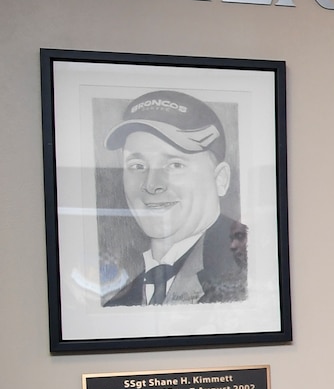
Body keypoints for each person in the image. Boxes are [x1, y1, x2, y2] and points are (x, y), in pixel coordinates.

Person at [103, 90, 247, 305]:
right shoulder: (117, 303)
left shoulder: (251, 271)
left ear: (220, 179)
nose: (152, 185)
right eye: (137, 166)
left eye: (175, 165)